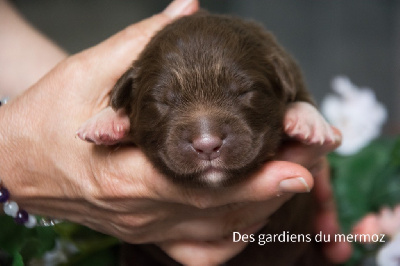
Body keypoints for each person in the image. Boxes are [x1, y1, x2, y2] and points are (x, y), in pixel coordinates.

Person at [0, 0, 351, 264]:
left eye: (243, 92)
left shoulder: (279, 72)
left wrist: (302, 108)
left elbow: (290, 88)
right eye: (163, 102)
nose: (206, 139)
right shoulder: (132, 93)